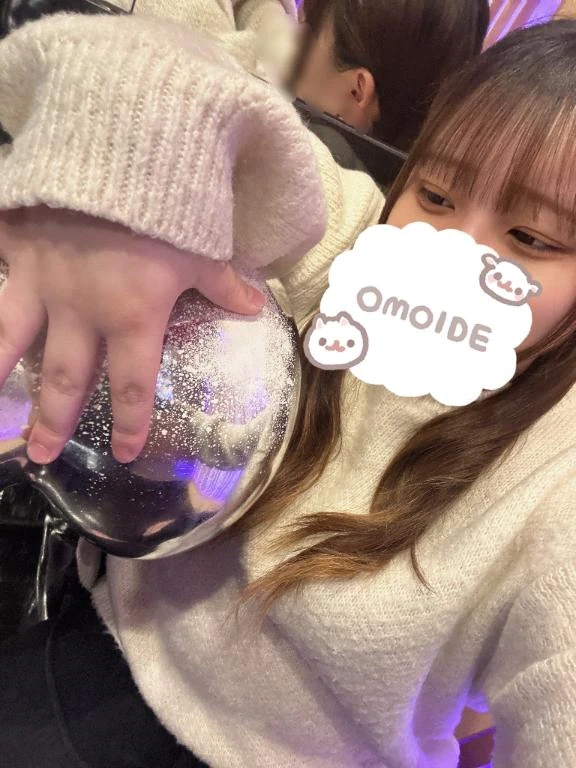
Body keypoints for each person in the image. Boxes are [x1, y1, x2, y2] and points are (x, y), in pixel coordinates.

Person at [0, 10, 575, 768]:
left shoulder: (557, 475)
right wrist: (106, 203)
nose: (449, 253)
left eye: (530, 238)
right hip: (93, 641)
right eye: (435, 195)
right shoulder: (357, 248)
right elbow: (147, 66)